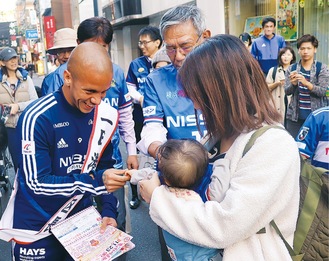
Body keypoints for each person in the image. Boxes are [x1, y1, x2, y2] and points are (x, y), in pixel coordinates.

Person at [139, 34, 300, 261]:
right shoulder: (220, 134)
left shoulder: (273, 145)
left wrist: (158, 197)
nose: (193, 103)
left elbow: (226, 225)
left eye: (195, 93)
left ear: (221, 91)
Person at [10, 42, 130, 261]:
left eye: (103, 92)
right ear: (67, 78)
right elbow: (36, 182)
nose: (96, 100)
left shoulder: (106, 115)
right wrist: (96, 181)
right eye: (89, 91)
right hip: (38, 227)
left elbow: (104, 168)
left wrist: (108, 212)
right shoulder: (37, 117)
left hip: (81, 223)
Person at [136, 5, 211, 260]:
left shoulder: (222, 75)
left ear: (205, 37)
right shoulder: (156, 81)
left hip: (218, 185)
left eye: (185, 46)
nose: (177, 56)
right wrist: (164, 153)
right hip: (173, 186)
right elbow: (152, 127)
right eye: (169, 47)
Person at [76, 17, 138, 248]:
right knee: (82, 218)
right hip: (77, 162)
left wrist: (131, 150)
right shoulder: (64, 75)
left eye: (102, 46)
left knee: (113, 215)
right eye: (90, 45)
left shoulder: (118, 74)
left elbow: (125, 114)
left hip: (111, 156)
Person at [127, 139, 226, 261]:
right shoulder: (206, 190)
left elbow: (148, 174)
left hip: (174, 243)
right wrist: (223, 161)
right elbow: (220, 187)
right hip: (202, 250)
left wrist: (132, 174)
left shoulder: (161, 182)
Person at [126, 25, 162, 209]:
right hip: (140, 117)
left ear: (157, 42)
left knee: (161, 154)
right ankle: (135, 193)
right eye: (140, 42)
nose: (142, 46)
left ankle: (160, 190)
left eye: (145, 42)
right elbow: (129, 87)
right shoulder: (136, 64)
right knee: (137, 157)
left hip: (161, 119)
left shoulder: (166, 61)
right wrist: (139, 97)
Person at [0, 47, 38, 171]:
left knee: (32, 160)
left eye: (15, 58)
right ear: (2, 62)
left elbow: (35, 101)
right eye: (9, 59)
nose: (13, 61)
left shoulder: (26, 79)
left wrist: (19, 106)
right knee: (17, 162)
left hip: (28, 126)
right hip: (9, 128)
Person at [284, 34, 329, 138]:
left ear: (315, 50)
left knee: (315, 149)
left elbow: (323, 91)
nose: (305, 51)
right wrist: (294, 84)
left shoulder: (322, 68)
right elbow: (287, 91)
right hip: (294, 118)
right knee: (294, 148)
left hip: (317, 118)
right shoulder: (292, 68)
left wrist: (307, 83)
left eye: (309, 48)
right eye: (302, 48)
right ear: (298, 50)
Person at [41, 28, 77, 96]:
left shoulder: (88, 73)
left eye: (70, 51)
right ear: (56, 55)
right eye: (61, 51)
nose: (66, 56)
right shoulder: (49, 80)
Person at [266, 46, 296, 125]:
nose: (286, 57)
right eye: (283, 55)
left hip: (291, 106)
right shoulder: (273, 71)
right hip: (276, 105)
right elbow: (266, 88)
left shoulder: (296, 70)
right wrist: (277, 83)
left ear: (292, 57)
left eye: (288, 55)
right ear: (280, 57)